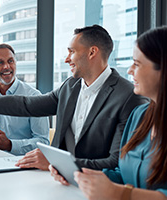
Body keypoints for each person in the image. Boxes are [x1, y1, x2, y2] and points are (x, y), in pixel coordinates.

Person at [0, 25, 146, 171]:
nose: (67, 59)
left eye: (72, 52)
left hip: (93, 188)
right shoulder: (71, 86)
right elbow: (26, 105)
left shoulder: (129, 97)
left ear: (92, 52)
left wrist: (56, 163)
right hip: (55, 182)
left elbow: (116, 163)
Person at [50, 26, 167, 200]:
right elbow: (121, 172)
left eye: (137, 64)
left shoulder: (128, 101)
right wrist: (74, 171)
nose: (129, 71)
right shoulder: (139, 116)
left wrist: (122, 194)